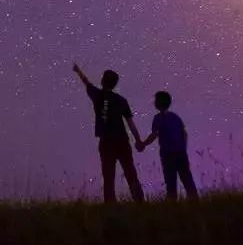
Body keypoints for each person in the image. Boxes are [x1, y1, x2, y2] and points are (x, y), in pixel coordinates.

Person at [72, 63, 145, 203]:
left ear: (102, 80)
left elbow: (86, 82)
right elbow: (130, 123)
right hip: (122, 141)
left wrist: (78, 71)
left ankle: (110, 206)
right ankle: (140, 202)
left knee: (108, 176)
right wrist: (138, 140)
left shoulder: (98, 95)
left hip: (107, 142)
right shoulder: (121, 100)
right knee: (131, 173)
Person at [136, 90, 199, 201]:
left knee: (170, 180)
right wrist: (183, 148)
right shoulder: (175, 117)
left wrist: (143, 144)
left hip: (168, 154)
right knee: (187, 179)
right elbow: (184, 133)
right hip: (180, 153)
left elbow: (154, 134)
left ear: (158, 103)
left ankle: (172, 204)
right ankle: (195, 201)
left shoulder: (158, 118)